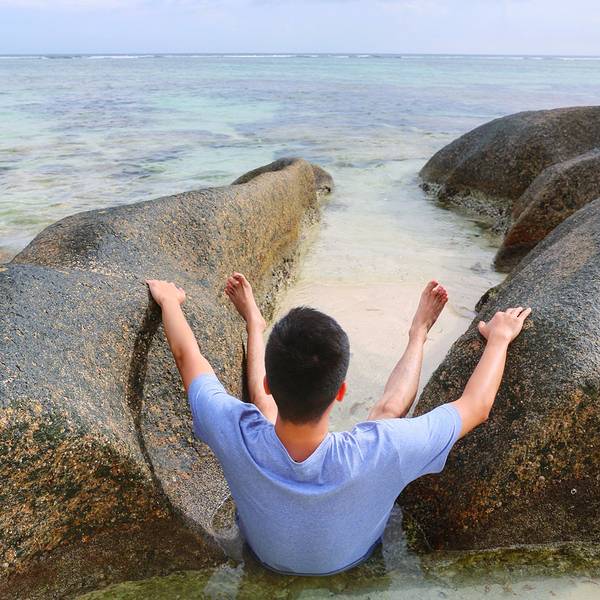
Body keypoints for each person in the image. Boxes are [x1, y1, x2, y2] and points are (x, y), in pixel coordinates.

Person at [145, 274, 531, 576]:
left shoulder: (234, 429)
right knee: (387, 414)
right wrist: (499, 339)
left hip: (263, 558)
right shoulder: (381, 448)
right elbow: (475, 406)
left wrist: (169, 301)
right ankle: (418, 335)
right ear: (341, 391)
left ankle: (255, 326)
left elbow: (187, 357)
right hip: (355, 561)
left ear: (268, 381)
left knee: (264, 412)